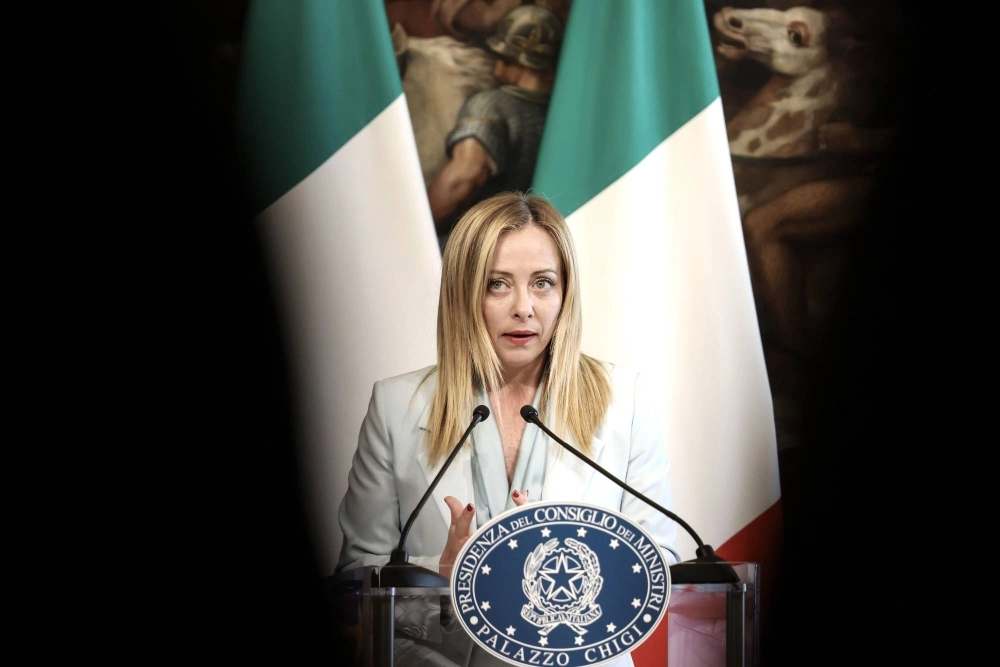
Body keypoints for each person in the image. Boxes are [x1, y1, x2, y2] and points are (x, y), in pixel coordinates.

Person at [335, 191, 678, 665]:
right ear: (462, 292)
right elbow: (356, 582)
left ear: (565, 292)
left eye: (543, 283)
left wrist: (571, 566)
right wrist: (443, 580)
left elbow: (657, 561)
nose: (524, 307)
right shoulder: (395, 406)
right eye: (497, 284)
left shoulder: (627, 400)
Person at [427, 5, 563, 240]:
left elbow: (462, 180)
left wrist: (413, 232)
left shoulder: (491, 106)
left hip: (485, 245)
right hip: (541, 241)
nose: (498, 71)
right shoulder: (564, 116)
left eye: (504, 60)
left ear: (522, 61)